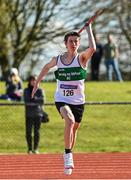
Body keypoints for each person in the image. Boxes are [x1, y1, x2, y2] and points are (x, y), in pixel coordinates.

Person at [31, 23, 96, 175]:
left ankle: (68, 151)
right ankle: (68, 155)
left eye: (76, 41)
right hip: (62, 99)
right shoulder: (58, 59)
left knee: (74, 128)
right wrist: (37, 83)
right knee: (70, 120)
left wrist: (89, 29)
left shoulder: (82, 59)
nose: (74, 44)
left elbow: (92, 49)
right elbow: (46, 68)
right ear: (65, 44)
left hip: (78, 101)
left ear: (79, 43)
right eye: (71, 41)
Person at [24, 75, 45, 154]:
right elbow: (27, 101)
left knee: (37, 132)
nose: (34, 82)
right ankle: (29, 149)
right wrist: (36, 101)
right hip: (29, 114)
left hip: (38, 114)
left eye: (35, 80)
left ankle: (35, 149)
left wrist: (34, 99)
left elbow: (42, 100)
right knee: (28, 132)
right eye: (32, 80)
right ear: (29, 81)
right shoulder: (26, 90)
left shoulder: (40, 90)